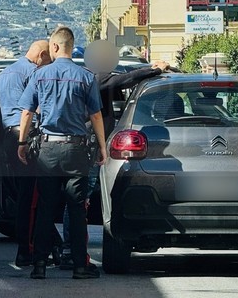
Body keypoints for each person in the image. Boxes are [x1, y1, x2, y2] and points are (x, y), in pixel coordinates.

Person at [59, 59, 171, 270]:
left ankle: (65, 249)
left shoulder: (88, 78)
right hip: (90, 148)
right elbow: (125, 79)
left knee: (75, 200)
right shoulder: (96, 78)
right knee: (78, 201)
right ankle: (70, 251)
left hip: (81, 146)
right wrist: (154, 69)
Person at [17, 26, 107, 280]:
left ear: (54, 47)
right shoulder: (86, 77)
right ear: (71, 45)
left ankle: (39, 266)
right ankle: (79, 265)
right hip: (76, 149)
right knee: (77, 208)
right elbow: (96, 115)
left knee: (45, 208)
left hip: (47, 149)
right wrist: (101, 147)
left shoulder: (40, 75)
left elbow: (27, 112)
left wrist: (22, 143)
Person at [0, 40, 55, 267]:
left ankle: (41, 245)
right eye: (48, 60)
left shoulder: (4, 74)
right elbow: (36, 108)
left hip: (8, 136)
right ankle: (27, 250)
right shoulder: (34, 74)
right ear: (41, 55)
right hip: (27, 135)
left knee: (25, 195)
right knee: (33, 198)